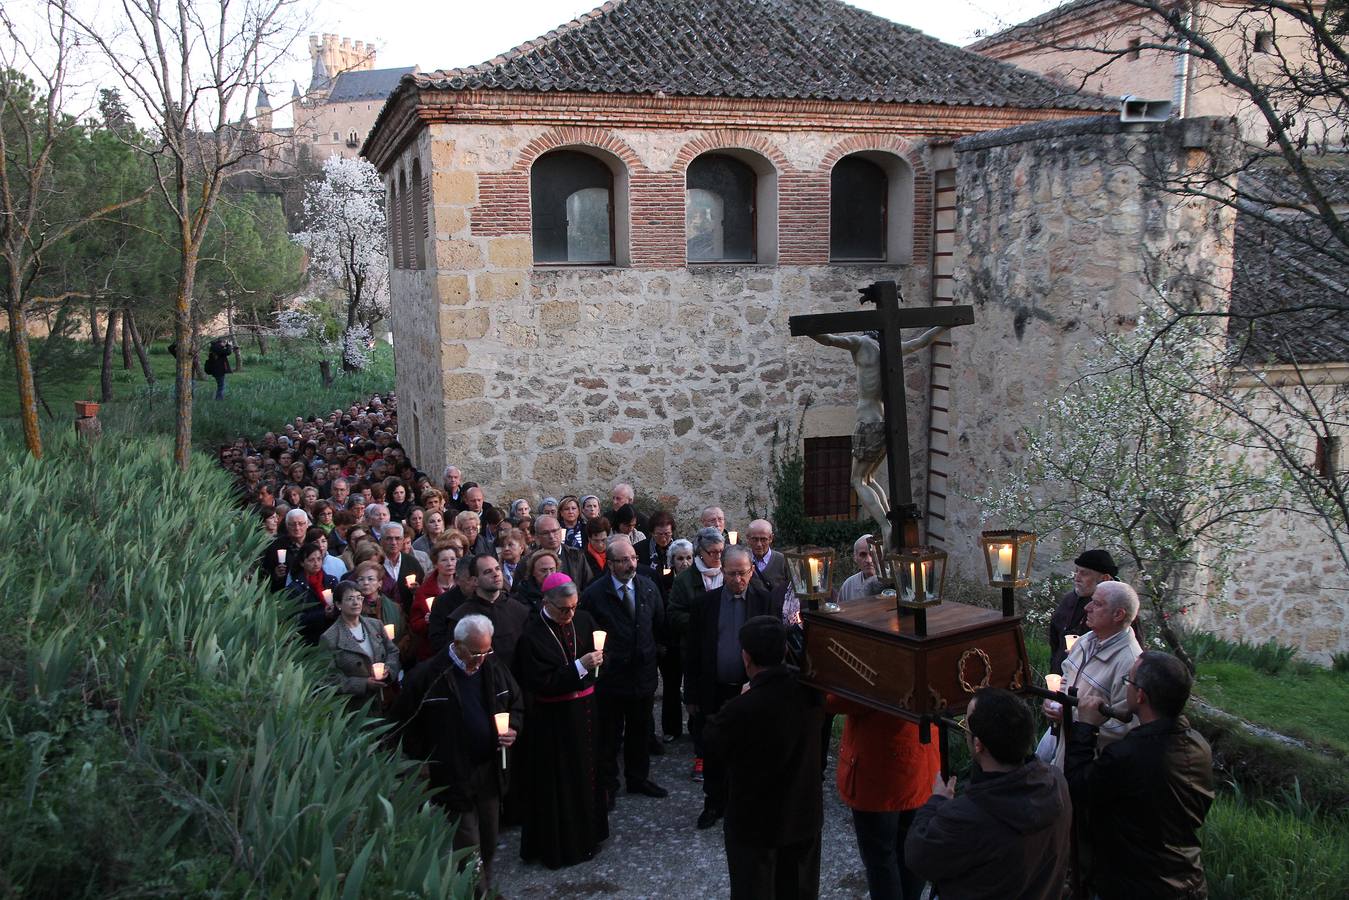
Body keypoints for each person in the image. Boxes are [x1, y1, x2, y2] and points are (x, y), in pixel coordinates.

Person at [1067, 651, 1215, 900]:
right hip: (1188, 879)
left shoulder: (1128, 755)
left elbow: (1078, 786)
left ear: (1140, 695)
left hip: (1136, 884)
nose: (1127, 686)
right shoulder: (1199, 745)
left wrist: (1085, 727)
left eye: (1129, 681)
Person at [393, 614, 522, 895]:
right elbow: (404, 723)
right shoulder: (428, 676)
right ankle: (477, 892)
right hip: (452, 773)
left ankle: (483, 885)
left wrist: (512, 727)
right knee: (467, 843)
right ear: (457, 644)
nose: (480, 658)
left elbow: (516, 702)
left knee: (488, 839)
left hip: (489, 770)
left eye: (486, 651)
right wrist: (421, 762)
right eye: (475, 652)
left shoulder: (493, 667)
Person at [905, 689, 1071, 899]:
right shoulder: (1056, 783)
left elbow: (917, 854)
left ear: (978, 744)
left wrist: (936, 801)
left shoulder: (968, 817)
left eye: (966, 725)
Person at [703, 616, 824, 900]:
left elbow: (712, 743)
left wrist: (741, 697)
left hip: (756, 825)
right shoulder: (811, 693)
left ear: (746, 657)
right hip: (802, 816)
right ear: (784, 652)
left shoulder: (741, 709)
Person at [808, 325, 946, 548]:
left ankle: (885, 525)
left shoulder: (860, 343)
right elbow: (921, 341)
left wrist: (807, 329)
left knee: (857, 480)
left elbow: (829, 339)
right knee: (869, 478)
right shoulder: (890, 348)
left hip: (868, 423)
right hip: (883, 423)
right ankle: (890, 518)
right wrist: (946, 324)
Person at [513, 574, 609, 868]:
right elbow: (540, 681)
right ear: (546, 603)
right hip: (554, 721)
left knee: (588, 774)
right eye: (563, 609)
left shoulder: (583, 619)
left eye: (573, 607)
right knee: (561, 784)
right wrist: (580, 666)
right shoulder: (532, 636)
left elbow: (602, 655)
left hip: (587, 711)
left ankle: (590, 836)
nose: (569, 615)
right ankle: (563, 846)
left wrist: (599, 664)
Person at [685, 545, 781, 829]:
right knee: (713, 750)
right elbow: (692, 652)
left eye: (743, 573)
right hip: (714, 690)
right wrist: (690, 694)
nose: (737, 579)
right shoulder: (705, 604)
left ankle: (747, 807)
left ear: (752, 571)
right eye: (731, 574)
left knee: (750, 753)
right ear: (721, 571)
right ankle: (713, 804)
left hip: (751, 691)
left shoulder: (764, 602)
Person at [579, 535, 668, 806]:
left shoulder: (649, 588)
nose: (630, 564)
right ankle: (608, 785)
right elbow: (587, 632)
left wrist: (653, 653)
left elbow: (659, 625)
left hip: (642, 674)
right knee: (609, 734)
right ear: (610, 564)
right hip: (611, 678)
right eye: (622, 560)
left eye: (632, 558)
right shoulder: (595, 594)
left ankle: (638, 777)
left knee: (640, 730)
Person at [829, 687, 941, 900]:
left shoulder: (881, 654)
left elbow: (843, 700)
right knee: (910, 851)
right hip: (921, 763)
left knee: (881, 859)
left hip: (877, 773)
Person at [1047, 580, 1143, 769]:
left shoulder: (1130, 663)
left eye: (1097, 604)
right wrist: (1054, 701)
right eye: (1091, 601)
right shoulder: (1084, 642)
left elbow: (1126, 726)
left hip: (1093, 767)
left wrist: (1072, 720)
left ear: (1118, 614)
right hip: (1064, 751)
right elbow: (1067, 677)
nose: (1087, 608)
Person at [668, 527, 725, 779]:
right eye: (712, 552)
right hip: (697, 650)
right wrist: (702, 622)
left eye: (721, 552)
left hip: (725, 648)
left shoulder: (728, 573)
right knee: (700, 705)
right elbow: (674, 614)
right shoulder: (684, 580)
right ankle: (701, 756)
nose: (717, 557)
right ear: (700, 552)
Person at [319, 582, 400, 710]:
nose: (356, 602)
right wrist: (363, 684)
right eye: (350, 599)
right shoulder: (329, 638)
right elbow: (329, 678)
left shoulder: (376, 625)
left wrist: (388, 670)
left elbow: (393, 651)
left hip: (386, 699)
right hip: (356, 707)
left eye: (359, 597)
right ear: (338, 604)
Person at [446, 554, 530, 670]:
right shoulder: (461, 618)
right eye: (487, 572)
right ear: (474, 580)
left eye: (497, 569)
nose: (496, 574)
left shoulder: (520, 611)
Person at [1049, 549, 1117, 675]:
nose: (1077, 578)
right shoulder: (1069, 600)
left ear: (1105, 578)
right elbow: (1055, 640)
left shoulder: (1117, 608)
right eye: (1077, 572)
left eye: (1084, 573)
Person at [285, 540, 339, 643]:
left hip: (333, 633)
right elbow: (296, 619)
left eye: (319, 559)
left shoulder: (331, 581)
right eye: (311, 560)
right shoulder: (295, 588)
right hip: (311, 639)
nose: (316, 563)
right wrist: (323, 614)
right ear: (302, 563)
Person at [534, 514, 593, 589]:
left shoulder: (576, 555)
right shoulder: (529, 561)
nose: (551, 536)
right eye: (546, 533)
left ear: (561, 531)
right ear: (537, 537)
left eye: (555, 531)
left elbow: (589, 584)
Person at [744, 518, 789, 593]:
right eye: (755, 539)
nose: (759, 544)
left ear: (771, 538)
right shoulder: (743, 560)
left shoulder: (783, 561)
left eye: (763, 539)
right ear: (748, 538)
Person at [836, 534, 878, 604]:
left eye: (873, 554)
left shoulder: (892, 583)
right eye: (863, 555)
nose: (869, 560)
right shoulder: (848, 586)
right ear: (855, 557)